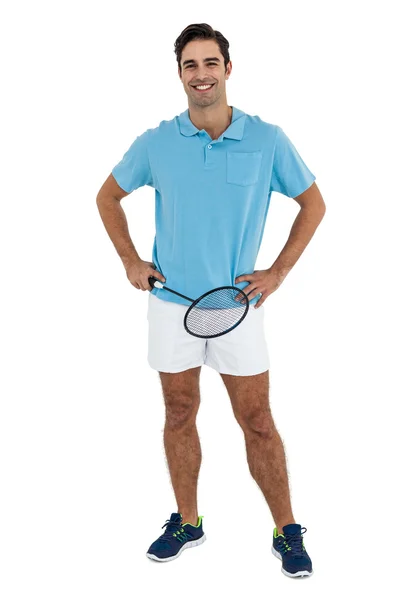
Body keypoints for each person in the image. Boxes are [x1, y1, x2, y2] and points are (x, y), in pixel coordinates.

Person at [96, 23, 325, 577]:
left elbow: (313, 204)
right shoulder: (157, 142)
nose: (201, 74)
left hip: (237, 305)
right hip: (171, 303)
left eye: (210, 63)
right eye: (190, 65)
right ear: (180, 74)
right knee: (178, 412)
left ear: (228, 68)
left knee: (258, 420)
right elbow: (107, 196)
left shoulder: (267, 139)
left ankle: (286, 529)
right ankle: (188, 520)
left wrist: (277, 272)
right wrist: (130, 260)